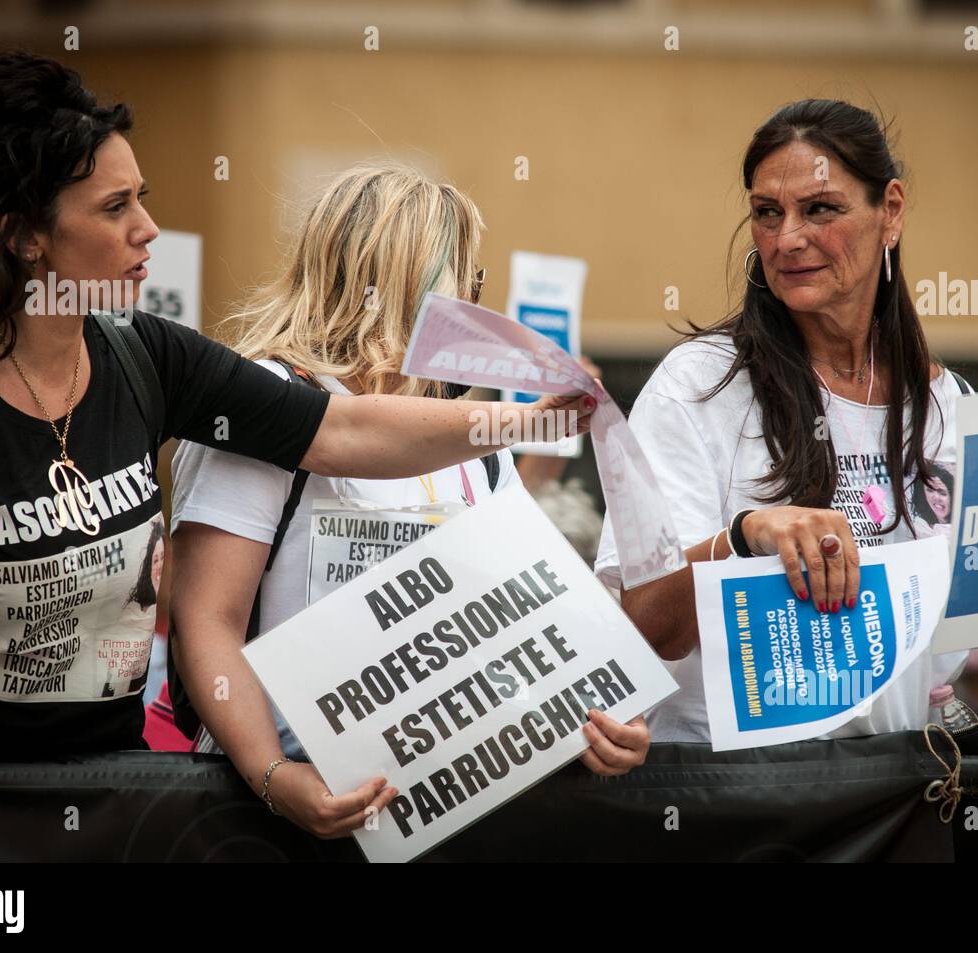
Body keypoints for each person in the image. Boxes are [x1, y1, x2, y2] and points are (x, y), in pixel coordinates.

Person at [0, 53, 591, 762]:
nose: (148, 228)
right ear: (23, 235)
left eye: (142, 197)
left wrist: (530, 419)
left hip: (111, 794)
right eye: (116, 207)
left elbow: (338, 428)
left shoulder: (144, 354)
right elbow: (207, 620)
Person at [596, 99, 978, 746]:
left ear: (890, 210)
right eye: (767, 213)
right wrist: (745, 535)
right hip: (735, 807)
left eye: (820, 209)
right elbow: (644, 620)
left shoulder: (948, 406)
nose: (787, 238)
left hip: (898, 800)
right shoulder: (698, 385)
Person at [169, 164, 649, 837]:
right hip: (277, 819)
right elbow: (205, 622)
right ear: (406, 280)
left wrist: (611, 717)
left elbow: (538, 625)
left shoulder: (472, 450)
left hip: (443, 816)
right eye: (467, 280)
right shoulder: (265, 404)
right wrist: (275, 776)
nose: (477, 304)